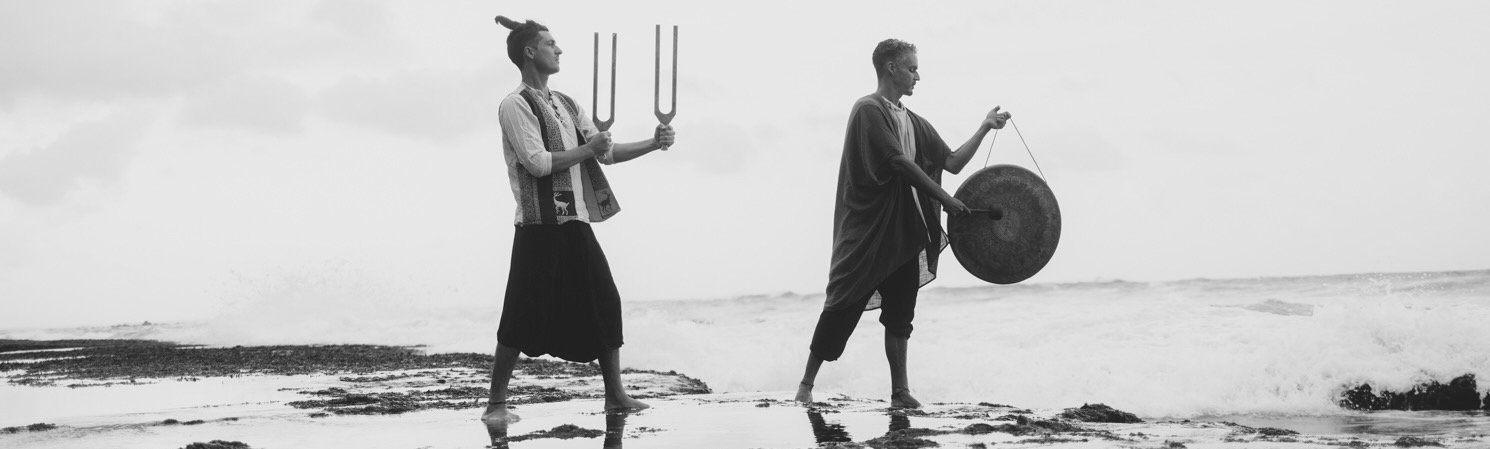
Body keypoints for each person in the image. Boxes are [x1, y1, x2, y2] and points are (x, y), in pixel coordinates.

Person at [794, 38, 1011, 408]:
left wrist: (984, 127)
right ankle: (805, 385)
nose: (917, 77)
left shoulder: (913, 122)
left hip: (905, 234)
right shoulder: (868, 110)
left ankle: (900, 392)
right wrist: (945, 200)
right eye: (912, 69)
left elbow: (952, 162)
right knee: (841, 307)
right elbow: (897, 162)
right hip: (868, 234)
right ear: (891, 68)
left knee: (900, 317)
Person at [481, 15, 676, 425]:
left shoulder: (567, 104)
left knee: (605, 300)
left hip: (575, 220)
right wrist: (589, 149)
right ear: (530, 52)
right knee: (521, 310)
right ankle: (496, 403)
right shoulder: (515, 104)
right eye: (550, 43)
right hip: (538, 225)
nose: (559, 49)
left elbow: (606, 152)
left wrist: (652, 143)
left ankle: (615, 396)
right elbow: (537, 163)